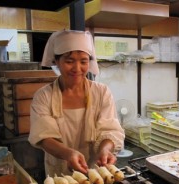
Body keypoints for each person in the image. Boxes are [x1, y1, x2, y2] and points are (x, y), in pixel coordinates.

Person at [28, 30, 125, 176]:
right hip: (60, 174)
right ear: (56, 61)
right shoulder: (44, 96)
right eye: (69, 61)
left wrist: (105, 150)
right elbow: (43, 137)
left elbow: (110, 130)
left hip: (97, 172)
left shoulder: (101, 92)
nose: (77, 68)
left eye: (83, 61)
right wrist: (67, 153)